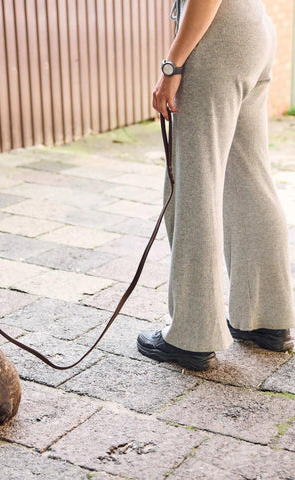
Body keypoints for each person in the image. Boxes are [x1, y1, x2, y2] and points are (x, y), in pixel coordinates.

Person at [137, 0, 295, 371]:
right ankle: (267, 319)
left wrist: (173, 63)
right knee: (250, 177)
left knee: (195, 184)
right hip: (252, 30)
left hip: (215, 38)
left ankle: (191, 335)